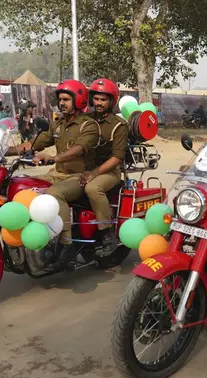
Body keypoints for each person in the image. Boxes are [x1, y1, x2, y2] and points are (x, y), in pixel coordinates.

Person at [31, 80, 99, 267]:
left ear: (79, 101)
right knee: (26, 187)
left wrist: (54, 158)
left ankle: (66, 244)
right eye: (60, 99)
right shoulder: (57, 124)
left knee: (55, 193)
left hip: (79, 177)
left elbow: (79, 148)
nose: (62, 103)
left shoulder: (88, 125)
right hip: (58, 174)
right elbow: (35, 144)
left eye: (67, 99)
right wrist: (5, 149)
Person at [79, 78, 128, 256]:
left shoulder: (118, 125)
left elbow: (117, 158)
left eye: (103, 99)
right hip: (84, 168)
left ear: (111, 101)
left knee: (93, 188)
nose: (99, 103)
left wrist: (94, 173)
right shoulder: (84, 119)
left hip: (108, 171)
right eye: (96, 99)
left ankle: (106, 232)